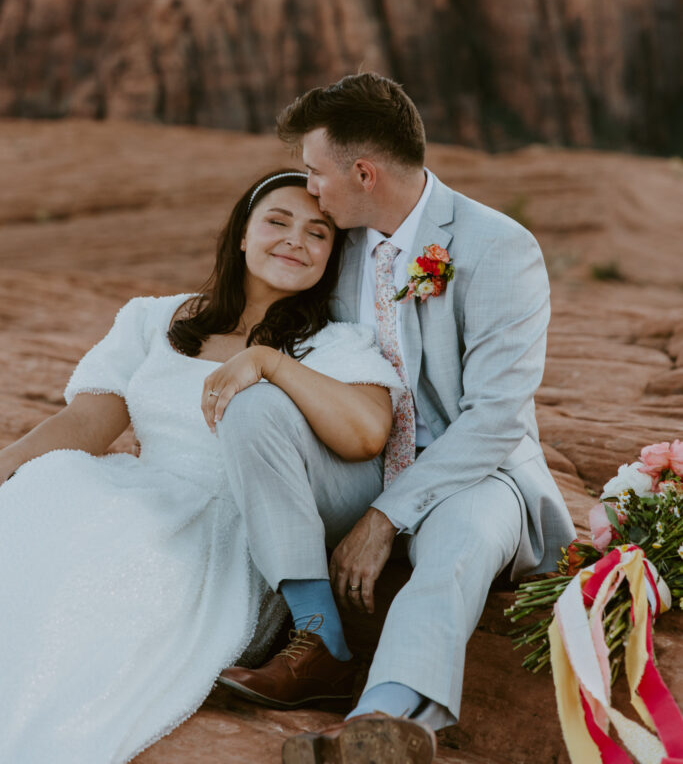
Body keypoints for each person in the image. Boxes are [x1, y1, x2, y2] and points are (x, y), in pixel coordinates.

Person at [217, 74, 577, 764]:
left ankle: (380, 723)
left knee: (455, 542)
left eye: (316, 173)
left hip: (477, 474)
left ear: (362, 171)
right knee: (256, 408)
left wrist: (385, 521)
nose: (309, 188)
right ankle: (319, 641)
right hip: (361, 463)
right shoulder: (338, 243)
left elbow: (495, 420)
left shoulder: (498, 247)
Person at [0, 170, 404, 764]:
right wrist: (5, 466)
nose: (296, 239)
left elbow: (368, 434)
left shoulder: (337, 343)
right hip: (137, 489)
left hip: (227, 526)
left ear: (330, 257)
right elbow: (87, 423)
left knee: (114, 578)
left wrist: (271, 363)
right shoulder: (153, 318)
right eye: (277, 221)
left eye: (317, 233)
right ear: (241, 234)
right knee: (46, 492)